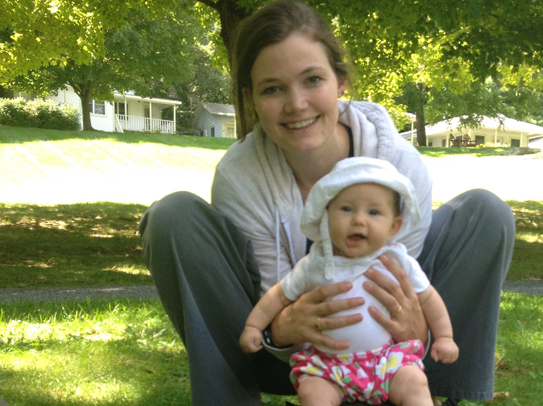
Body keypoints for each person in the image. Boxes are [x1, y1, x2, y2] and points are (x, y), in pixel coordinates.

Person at [138, 1, 515, 405]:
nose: (296, 104)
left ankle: (431, 395)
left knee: (485, 212)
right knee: (172, 216)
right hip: (281, 352)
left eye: (312, 79)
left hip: (390, 351)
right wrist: (278, 330)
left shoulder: (399, 163)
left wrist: (420, 332)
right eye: (273, 88)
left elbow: (400, 282)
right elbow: (276, 298)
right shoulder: (239, 175)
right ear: (250, 99)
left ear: (341, 82)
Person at [239, 157, 459, 406]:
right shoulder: (316, 264)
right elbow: (279, 295)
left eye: (374, 212)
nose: (359, 220)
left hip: (386, 360)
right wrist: (254, 327)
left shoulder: (397, 261)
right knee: (313, 392)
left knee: (414, 383)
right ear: (326, 217)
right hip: (328, 365)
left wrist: (444, 337)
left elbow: (428, 297)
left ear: (393, 227)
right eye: (346, 209)